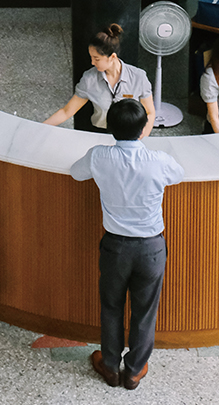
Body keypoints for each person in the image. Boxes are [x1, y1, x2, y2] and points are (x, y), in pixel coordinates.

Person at [70, 98, 184, 390]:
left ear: (110, 127)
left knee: (111, 306)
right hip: (151, 247)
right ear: (144, 127)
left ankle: (109, 365)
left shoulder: (98, 157)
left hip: (116, 246)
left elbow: (75, 172)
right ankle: (133, 371)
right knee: (145, 310)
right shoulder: (158, 161)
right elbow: (179, 175)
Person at [44, 24, 156, 137]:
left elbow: (150, 112)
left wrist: (141, 138)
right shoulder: (89, 79)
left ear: (112, 57)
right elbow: (66, 111)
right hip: (100, 133)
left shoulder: (138, 77)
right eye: (91, 57)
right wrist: (40, 128)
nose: (92, 63)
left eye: (96, 58)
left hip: (131, 135)